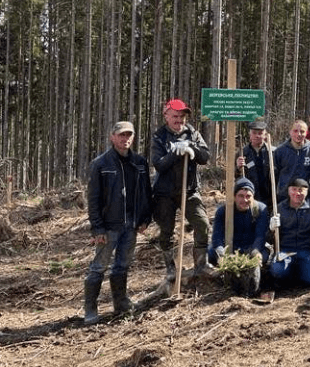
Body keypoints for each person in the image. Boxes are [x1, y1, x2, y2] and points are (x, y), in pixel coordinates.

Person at [84, 121, 152, 325]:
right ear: (112, 137)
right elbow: (94, 199)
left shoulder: (139, 162)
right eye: (121, 135)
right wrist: (97, 227)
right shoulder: (101, 164)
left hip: (131, 225)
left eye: (129, 135)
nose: (126, 139)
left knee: (122, 266)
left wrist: (145, 219)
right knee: (98, 267)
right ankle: (90, 309)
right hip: (108, 226)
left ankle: (120, 303)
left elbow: (146, 193)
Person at [151, 99, 213, 281]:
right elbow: (159, 165)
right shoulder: (159, 136)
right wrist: (174, 153)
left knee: (202, 224)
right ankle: (171, 268)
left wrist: (191, 147)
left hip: (190, 190)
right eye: (175, 116)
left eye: (182, 116)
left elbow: (205, 157)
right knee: (166, 231)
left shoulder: (192, 133)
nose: (179, 120)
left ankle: (201, 265)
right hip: (165, 193)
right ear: (166, 116)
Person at [269, 178, 310, 287]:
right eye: (294, 189)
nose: (297, 193)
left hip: (306, 250)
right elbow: (269, 237)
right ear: (288, 191)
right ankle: (290, 275)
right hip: (285, 250)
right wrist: (272, 228)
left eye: (301, 190)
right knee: (277, 271)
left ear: (307, 191)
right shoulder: (279, 209)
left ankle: (300, 272)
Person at [208, 178, 270, 267]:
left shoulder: (260, 209)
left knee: (264, 256)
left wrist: (255, 251)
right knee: (210, 252)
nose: (245, 200)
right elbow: (217, 236)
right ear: (234, 196)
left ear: (253, 197)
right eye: (241, 196)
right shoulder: (223, 211)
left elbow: (260, 235)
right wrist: (221, 253)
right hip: (230, 247)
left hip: (250, 247)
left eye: (248, 196)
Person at [273, 120, 310, 203]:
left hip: (307, 197)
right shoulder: (280, 151)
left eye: (302, 131)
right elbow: (274, 176)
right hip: (285, 196)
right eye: (295, 131)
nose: (299, 134)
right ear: (290, 132)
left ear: (307, 133)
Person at [235, 121, 272, 206]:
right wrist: (238, 168)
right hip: (249, 197)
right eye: (254, 133)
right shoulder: (242, 153)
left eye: (260, 133)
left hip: (269, 198)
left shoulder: (272, 152)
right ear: (250, 135)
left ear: (265, 135)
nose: (257, 136)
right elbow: (235, 177)